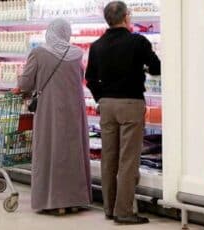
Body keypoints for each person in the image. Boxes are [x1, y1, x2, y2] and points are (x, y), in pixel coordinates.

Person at [85, 1, 161, 225]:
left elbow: (90, 79)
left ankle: (109, 208)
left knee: (109, 157)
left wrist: (102, 98)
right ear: (126, 17)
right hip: (130, 104)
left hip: (107, 106)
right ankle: (124, 211)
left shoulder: (97, 45)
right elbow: (156, 67)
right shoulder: (138, 42)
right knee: (128, 159)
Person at [14, 18, 92, 215]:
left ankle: (53, 202)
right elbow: (80, 80)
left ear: (50, 33)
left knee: (50, 151)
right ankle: (74, 200)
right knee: (72, 152)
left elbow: (25, 84)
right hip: (74, 111)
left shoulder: (39, 52)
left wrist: (19, 85)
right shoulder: (76, 54)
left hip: (49, 110)